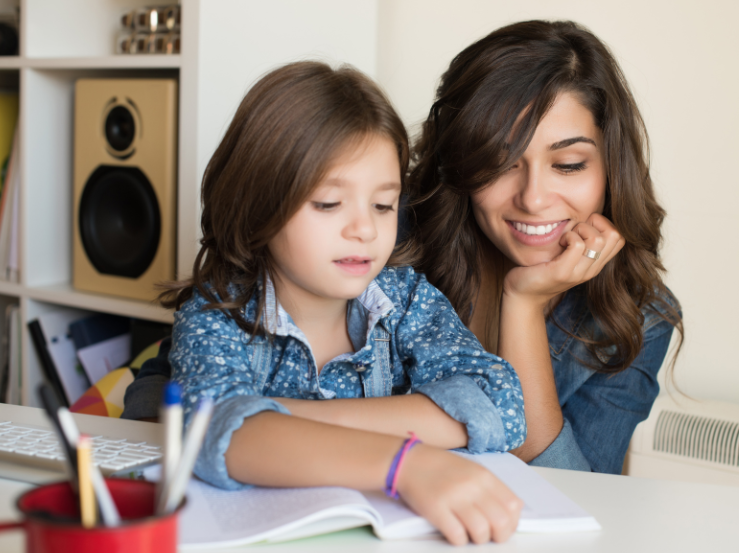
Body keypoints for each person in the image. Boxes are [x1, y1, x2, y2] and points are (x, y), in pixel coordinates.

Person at [160, 61, 526, 546]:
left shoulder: (405, 297)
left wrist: (278, 417)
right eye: (329, 204)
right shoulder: (216, 314)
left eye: (382, 205)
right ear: (259, 203)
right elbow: (216, 432)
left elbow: (499, 403)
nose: (366, 230)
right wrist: (407, 460)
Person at [400, 20, 684, 474]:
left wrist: (523, 303)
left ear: (611, 167)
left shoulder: (640, 316)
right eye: (499, 162)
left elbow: (574, 493)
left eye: (568, 165)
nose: (532, 199)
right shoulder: (387, 245)